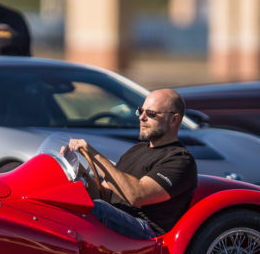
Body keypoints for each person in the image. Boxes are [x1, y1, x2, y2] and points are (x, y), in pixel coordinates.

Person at [69, 88, 197, 239]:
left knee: (98, 209)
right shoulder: (137, 150)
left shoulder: (180, 159)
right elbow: (103, 194)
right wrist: (78, 171)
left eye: (150, 114)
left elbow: (136, 195)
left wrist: (93, 154)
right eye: (140, 111)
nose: (141, 117)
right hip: (115, 217)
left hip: (146, 233)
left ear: (174, 120)